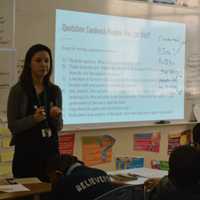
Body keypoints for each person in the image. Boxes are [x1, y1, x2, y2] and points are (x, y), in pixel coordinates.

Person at [7, 44, 63, 182]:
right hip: (26, 154)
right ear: (29, 64)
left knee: (50, 194)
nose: (43, 64)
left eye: (47, 61)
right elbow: (13, 126)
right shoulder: (18, 90)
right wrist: (34, 119)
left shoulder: (55, 91)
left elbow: (59, 127)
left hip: (51, 154)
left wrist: (55, 117)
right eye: (38, 60)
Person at [46, 154, 116, 200]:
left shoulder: (64, 182)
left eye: (51, 177)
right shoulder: (101, 172)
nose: (51, 180)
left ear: (58, 173)